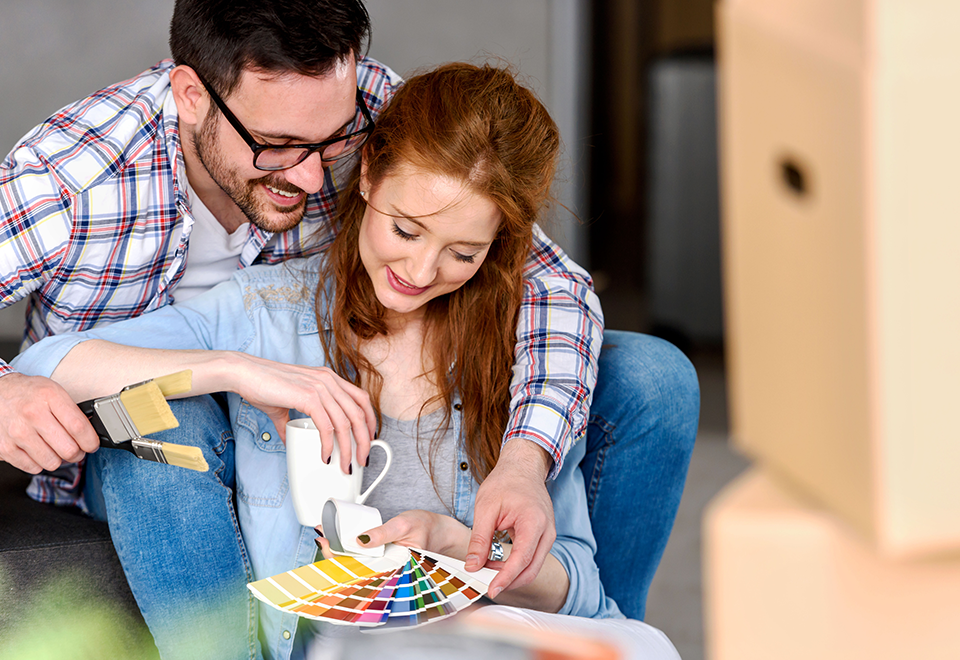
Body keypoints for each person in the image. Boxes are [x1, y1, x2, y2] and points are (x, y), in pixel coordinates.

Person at [0, 0, 698, 656]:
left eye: (330, 144)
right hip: (153, 396)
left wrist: (523, 461)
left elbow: (544, 280)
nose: (309, 178)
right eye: (278, 146)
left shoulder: (372, 114)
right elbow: (54, 365)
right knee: (159, 420)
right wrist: (236, 368)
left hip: (309, 373)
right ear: (191, 98)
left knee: (649, 376)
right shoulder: (74, 177)